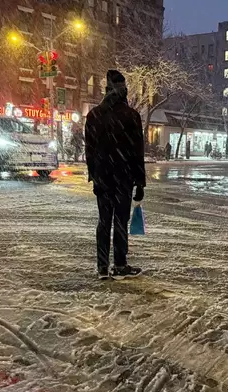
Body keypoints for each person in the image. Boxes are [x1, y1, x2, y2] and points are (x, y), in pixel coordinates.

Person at [85, 70, 145, 280]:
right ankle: (120, 264)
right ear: (123, 90)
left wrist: (94, 176)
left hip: (103, 178)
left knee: (104, 221)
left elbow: (90, 151)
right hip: (124, 178)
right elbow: (137, 152)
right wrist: (140, 183)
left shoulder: (94, 116)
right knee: (120, 221)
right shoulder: (131, 116)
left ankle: (102, 266)